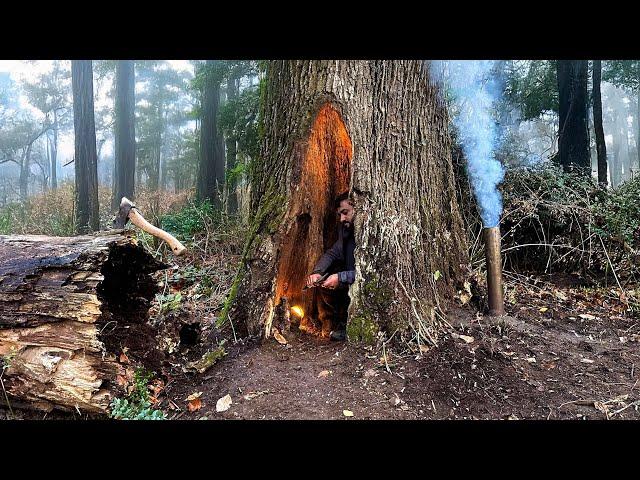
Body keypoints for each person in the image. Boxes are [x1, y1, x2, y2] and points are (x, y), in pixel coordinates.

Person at [305, 191, 355, 341]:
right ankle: (332, 324)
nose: (342, 218)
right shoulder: (346, 229)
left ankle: (350, 329)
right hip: (350, 277)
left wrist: (341, 277)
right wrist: (318, 272)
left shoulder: (372, 231)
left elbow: (372, 273)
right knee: (325, 282)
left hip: (365, 283)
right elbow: (333, 253)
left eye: (345, 213)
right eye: (340, 214)